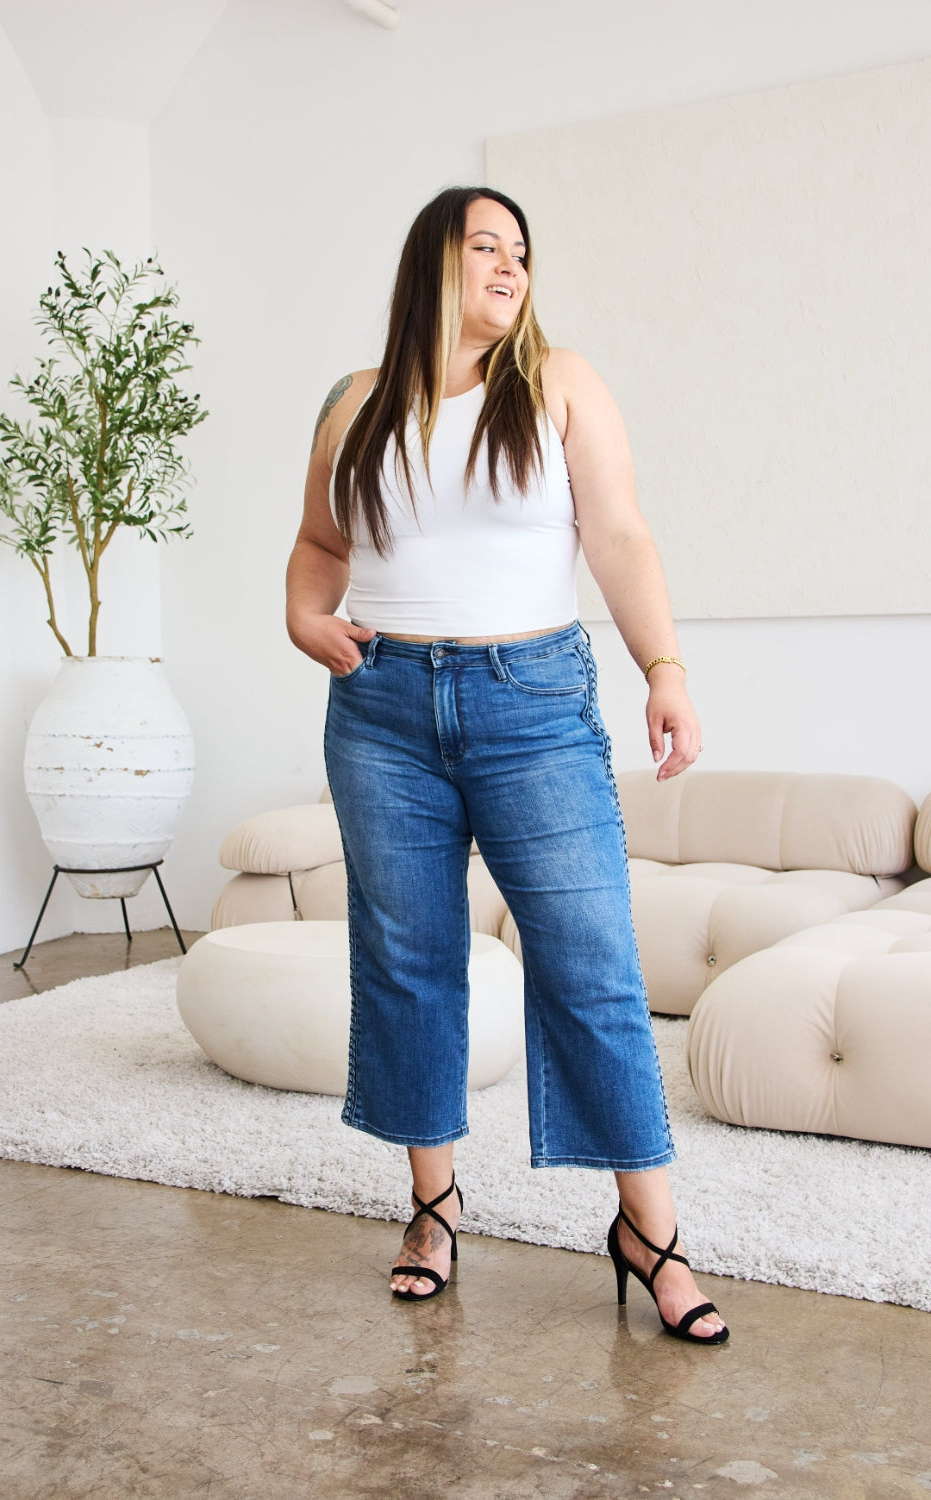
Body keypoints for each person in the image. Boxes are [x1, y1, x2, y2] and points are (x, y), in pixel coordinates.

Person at [286, 186, 728, 1344]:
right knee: (407, 959)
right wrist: (303, 619)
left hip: (531, 701)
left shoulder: (560, 383)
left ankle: (650, 1232)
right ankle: (432, 1208)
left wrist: (663, 669)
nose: (510, 265)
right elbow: (320, 545)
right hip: (379, 708)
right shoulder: (353, 403)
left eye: (521, 252)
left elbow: (619, 535)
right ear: (430, 261)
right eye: (485, 245)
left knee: (589, 960)